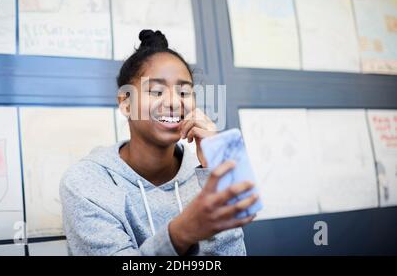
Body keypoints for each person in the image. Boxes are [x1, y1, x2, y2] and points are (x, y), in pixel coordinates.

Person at [60, 29, 258, 255]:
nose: (174, 102)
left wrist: (216, 171)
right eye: (156, 91)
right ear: (125, 103)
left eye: (184, 92)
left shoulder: (207, 174)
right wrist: (181, 233)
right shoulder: (85, 183)